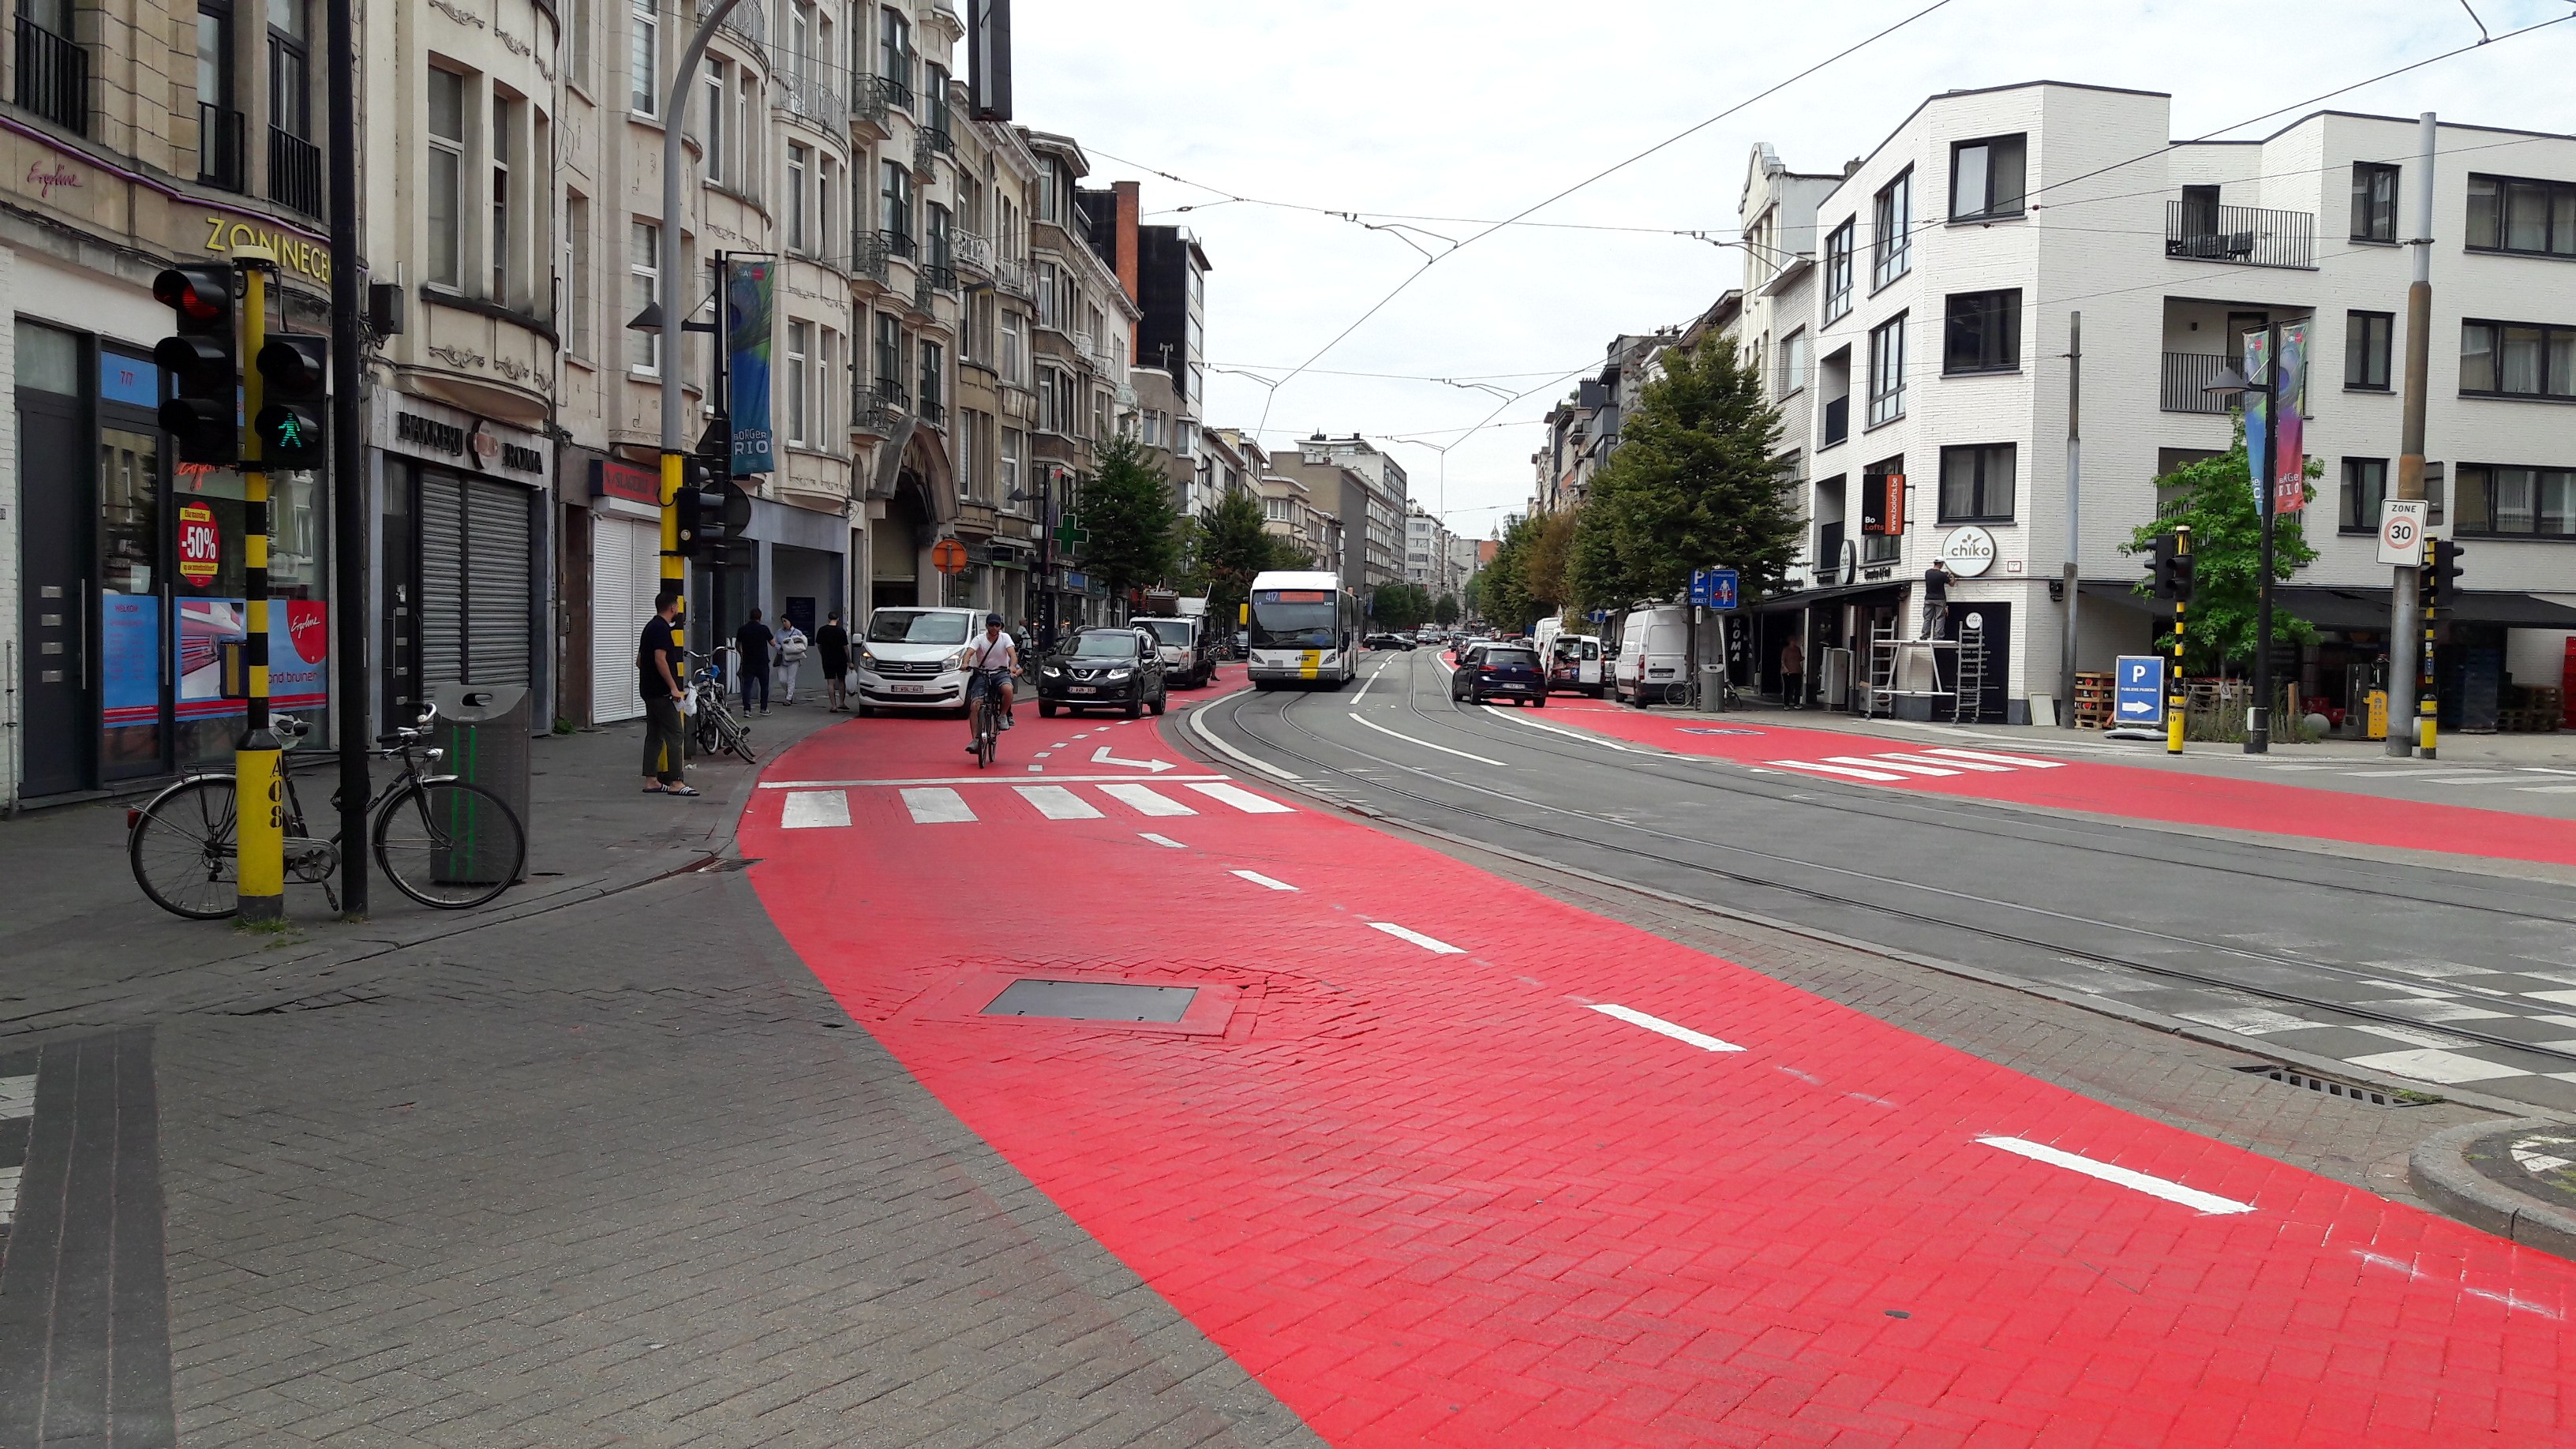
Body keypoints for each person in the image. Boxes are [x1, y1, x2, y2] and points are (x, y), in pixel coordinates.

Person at [638, 589, 698, 797]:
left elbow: (639, 661)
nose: (679, 610)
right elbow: (660, 659)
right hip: (662, 692)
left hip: (648, 690)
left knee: (654, 734)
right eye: (678, 607)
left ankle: (651, 780)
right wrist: (673, 687)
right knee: (676, 734)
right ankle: (676, 782)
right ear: (672, 607)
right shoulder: (662, 630)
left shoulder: (649, 628)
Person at [964, 612, 1018, 752]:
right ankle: (976, 740)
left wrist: (1012, 666)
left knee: (1008, 689)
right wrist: (965, 663)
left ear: (1001, 626)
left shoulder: (1005, 638)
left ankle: (1003, 715)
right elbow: (969, 652)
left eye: (997, 625)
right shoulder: (979, 639)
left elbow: (1012, 654)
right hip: (982, 673)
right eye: (991, 625)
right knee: (975, 706)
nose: (994, 628)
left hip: (1000, 672)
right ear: (987, 626)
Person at [735, 609, 775, 714]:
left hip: (748, 661)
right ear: (760, 618)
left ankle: (747, 710)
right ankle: (763, 708)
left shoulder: (743, 629)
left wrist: (741, 653)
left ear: (750, 616)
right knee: (764, 686)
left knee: (747, 686)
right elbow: (773, 643)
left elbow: (737, 644)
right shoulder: (764, 629)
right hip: (762, 661)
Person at [815, 609, 851, 711]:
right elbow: (845, 648)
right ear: (838, 619)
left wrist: (823, 654)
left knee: (830, 682)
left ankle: (834, 706)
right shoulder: (841, 631)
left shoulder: (822, 630)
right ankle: (842, 703)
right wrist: (849, 661)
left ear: (828, 619)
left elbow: (819, 645)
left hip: (827, 658)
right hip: (840, 659)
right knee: (841, 681)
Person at [774, 613, 809, 706]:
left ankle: (789, 698)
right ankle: (790, 692)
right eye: (782, 621)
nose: (784, 623)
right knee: (782, 679)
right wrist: (779, 647)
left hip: (794, 659)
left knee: (791, 679)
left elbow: (803, 644)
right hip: (782, 658)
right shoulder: (779, 632)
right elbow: (775, 642)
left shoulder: (797, 632)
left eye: (785, 621)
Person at [1920, 560, 1954, 640]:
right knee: (1940, 618)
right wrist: (1951, 576)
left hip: (1928, 599)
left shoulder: (1927, 573)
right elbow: (1952, 584)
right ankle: (1938, 636)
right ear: (1941, 564)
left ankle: (1925, 635)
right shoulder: (1942, 575)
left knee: (1927, 618)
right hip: (1940, 599)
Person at [1780, 638, 1806, 710]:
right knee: (1787, 688)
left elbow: (1799, 658)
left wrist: (1801, 658)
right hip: (1788, 671)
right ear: (1790, 641)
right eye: (1793, 641)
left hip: (1797, 670)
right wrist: (1785, 668)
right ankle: (1786, 704)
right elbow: (1783, 660)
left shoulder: (1797, 649)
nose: (1794, 642)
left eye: (1795, 641)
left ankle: (1797, 703)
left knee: (1797, 687)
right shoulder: (1786, 650)